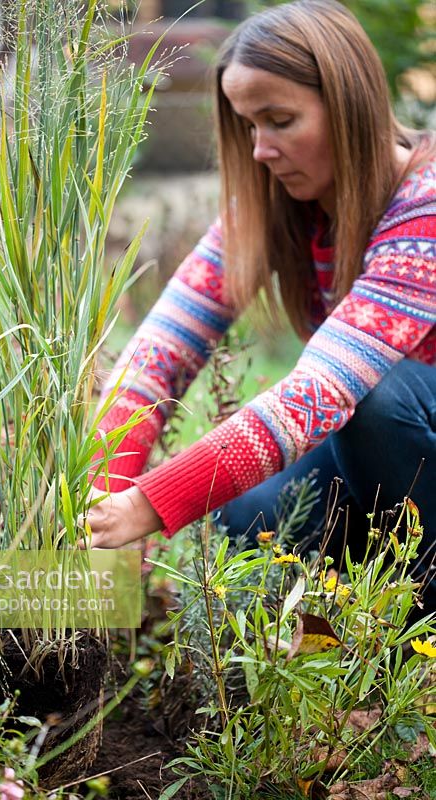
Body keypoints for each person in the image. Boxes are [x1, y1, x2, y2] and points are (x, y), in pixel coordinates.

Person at [87, 0, 436, 611]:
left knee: (373, 402)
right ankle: (370, 597)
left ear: (350, 108)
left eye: (279, 120)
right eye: (249, 125)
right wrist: (103, 499)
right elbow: (157, 354)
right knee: (240, 523)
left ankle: (418, 626)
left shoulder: (424, 209)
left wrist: (148, 504)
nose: (259, 150)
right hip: (382, 468)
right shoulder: (276, 205)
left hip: (410, 441)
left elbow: (319, 392)